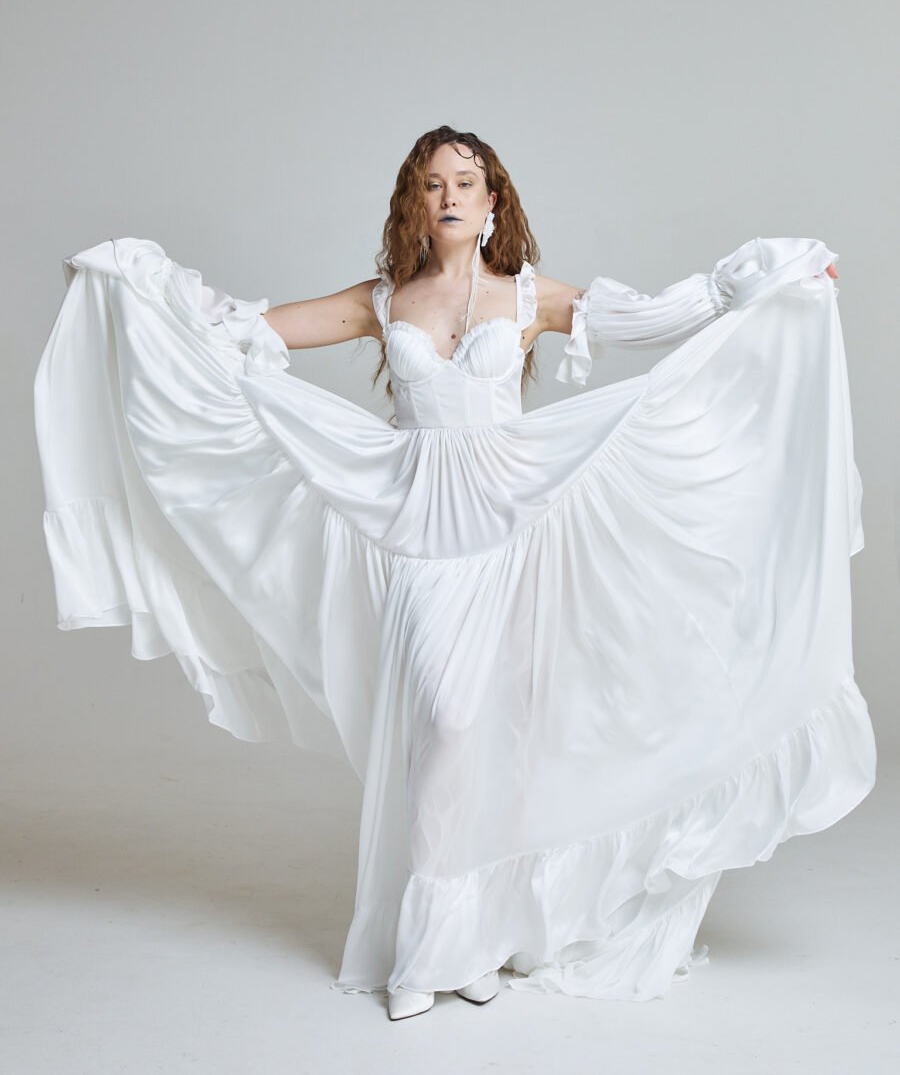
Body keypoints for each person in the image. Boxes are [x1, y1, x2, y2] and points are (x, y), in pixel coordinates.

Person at [33, 126, 875, 1022]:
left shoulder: (528, 297)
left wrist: (776, 283)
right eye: (433, 183)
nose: (449, 197)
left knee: (499, 738)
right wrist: (136, 288)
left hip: (516, 529)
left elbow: (662, 316)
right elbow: (244, 330)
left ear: (493, 201)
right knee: (443, 721)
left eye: (466, 182)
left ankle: (474, 942)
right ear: (414, 200)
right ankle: (425, 952)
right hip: (420, 532)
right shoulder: (383, 299)